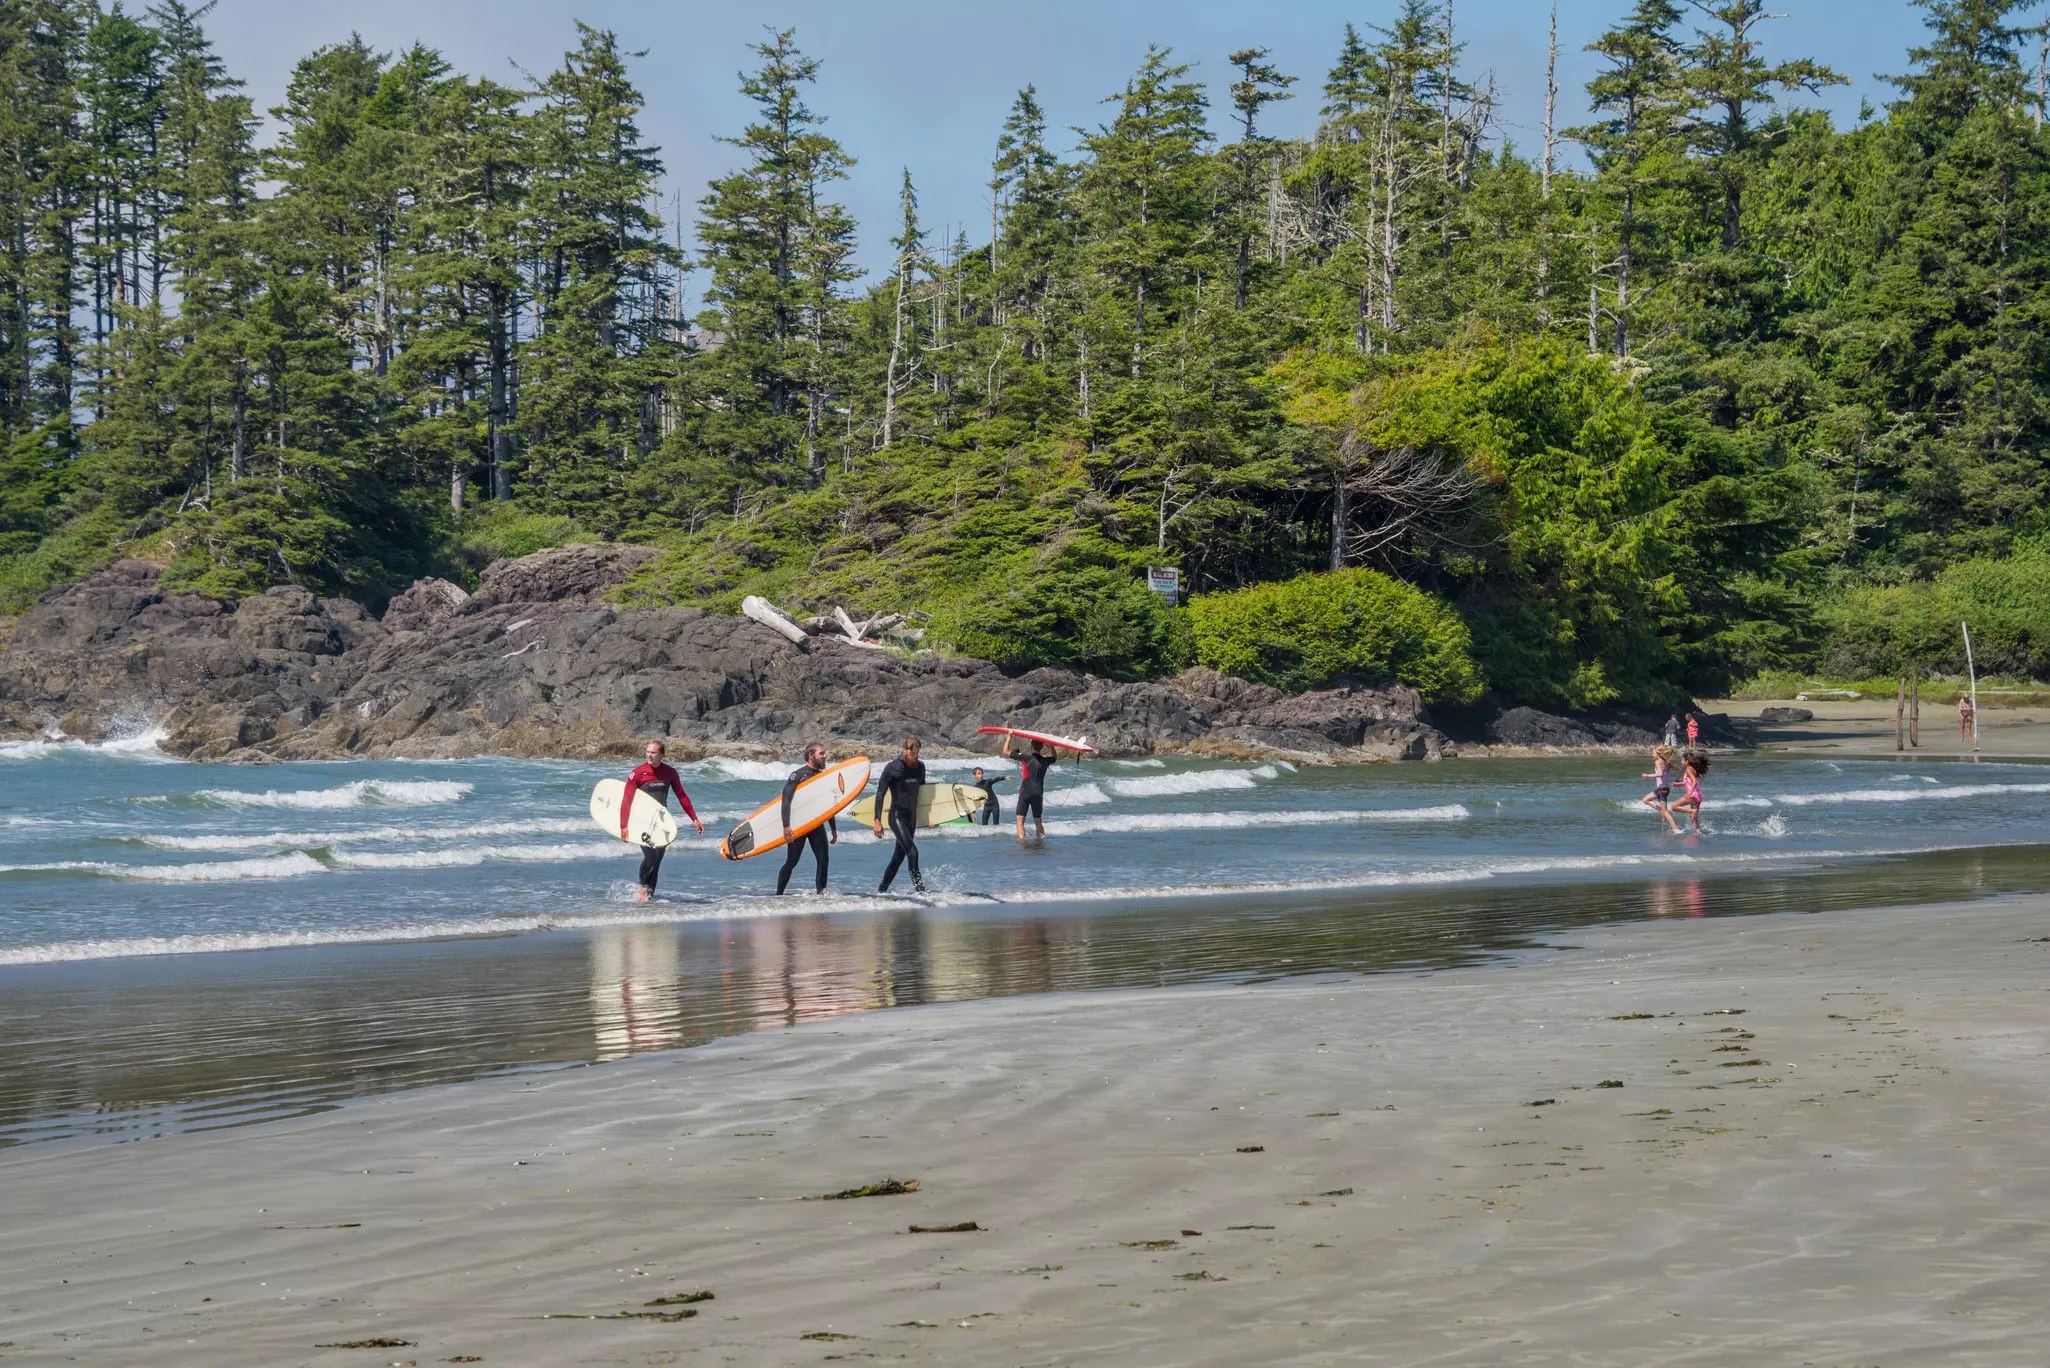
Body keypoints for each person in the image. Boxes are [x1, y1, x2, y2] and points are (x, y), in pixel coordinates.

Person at [619, 739, 702, 900]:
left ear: (662, 755)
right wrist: (624, 826)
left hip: (661, 823)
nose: (649, 755)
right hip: (641, 822)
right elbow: (626, 800)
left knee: (657, 863)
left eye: (653, 752)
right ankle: (642, 889)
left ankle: (649, 899)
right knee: (651, 857)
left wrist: (694, 819)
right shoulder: (637, 773)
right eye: (648, 752)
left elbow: (682, 796)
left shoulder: (670, 773)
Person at [775, 742, 838, 895]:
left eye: (824, 753)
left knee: (823, 860)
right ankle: (778, 895)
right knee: (792, 862)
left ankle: (821, 894)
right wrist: (786, 826)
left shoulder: (824, 777)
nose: (825, 756)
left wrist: (833, 828)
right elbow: (786, 801)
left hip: (816, 824)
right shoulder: (798, 775)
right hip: (799, 825)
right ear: (811, 755)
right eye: (821, 753)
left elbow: (828, 805)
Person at [874, 734, 927, 893]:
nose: (915, 757)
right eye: (912, 754)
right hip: (896, 817)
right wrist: (877, 819)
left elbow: (923, 794)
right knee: (913, 852)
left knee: (898, 858)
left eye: (917, 754)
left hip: (912, 818)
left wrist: (931, 818)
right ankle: (921, 893)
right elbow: (880, 794)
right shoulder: (892, 768)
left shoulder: (920, 767)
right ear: (904, 750)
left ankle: (881, 891)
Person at [1003, 733, 1058, 840]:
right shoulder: (1046, 761)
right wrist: (1051, 745)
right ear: (1042, 747)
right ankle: (1040, 842)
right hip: (1038, 793)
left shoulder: (1026, 758)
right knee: (1038, 821)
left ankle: (1021, 844)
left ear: (1031, 746)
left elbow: (1005, 751)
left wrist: (1009, 736)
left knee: (1020, 821)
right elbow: (1054, 757)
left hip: (1026, 792)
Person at [1641, 745, 1682, 835]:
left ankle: (1676, 830)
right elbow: (1679, 769)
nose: (1652, 754)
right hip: (1664, 789)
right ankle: (1661, 813)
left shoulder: (1658, 762)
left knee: (1665, 811)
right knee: (1645, 799)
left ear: (1658, 754)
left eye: (1653, 753)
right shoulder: (1666, 762)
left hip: (1662, 789)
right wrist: (1677, 780)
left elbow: (1660, 774)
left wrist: (1647, 775)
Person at [1670, 751, 1710, 833]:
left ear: (1687, 761)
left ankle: (1692, 811)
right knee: (1694, 819)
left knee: (1674, 807)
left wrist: (1690, 793)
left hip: (1693, 795)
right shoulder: (1691, 769)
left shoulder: (1688, 769)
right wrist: (1678, 784)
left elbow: (1694, 781)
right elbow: (1690, 782)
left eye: (1682, 760)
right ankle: (1698, 834)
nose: (1681, 762)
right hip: (1698, 795)